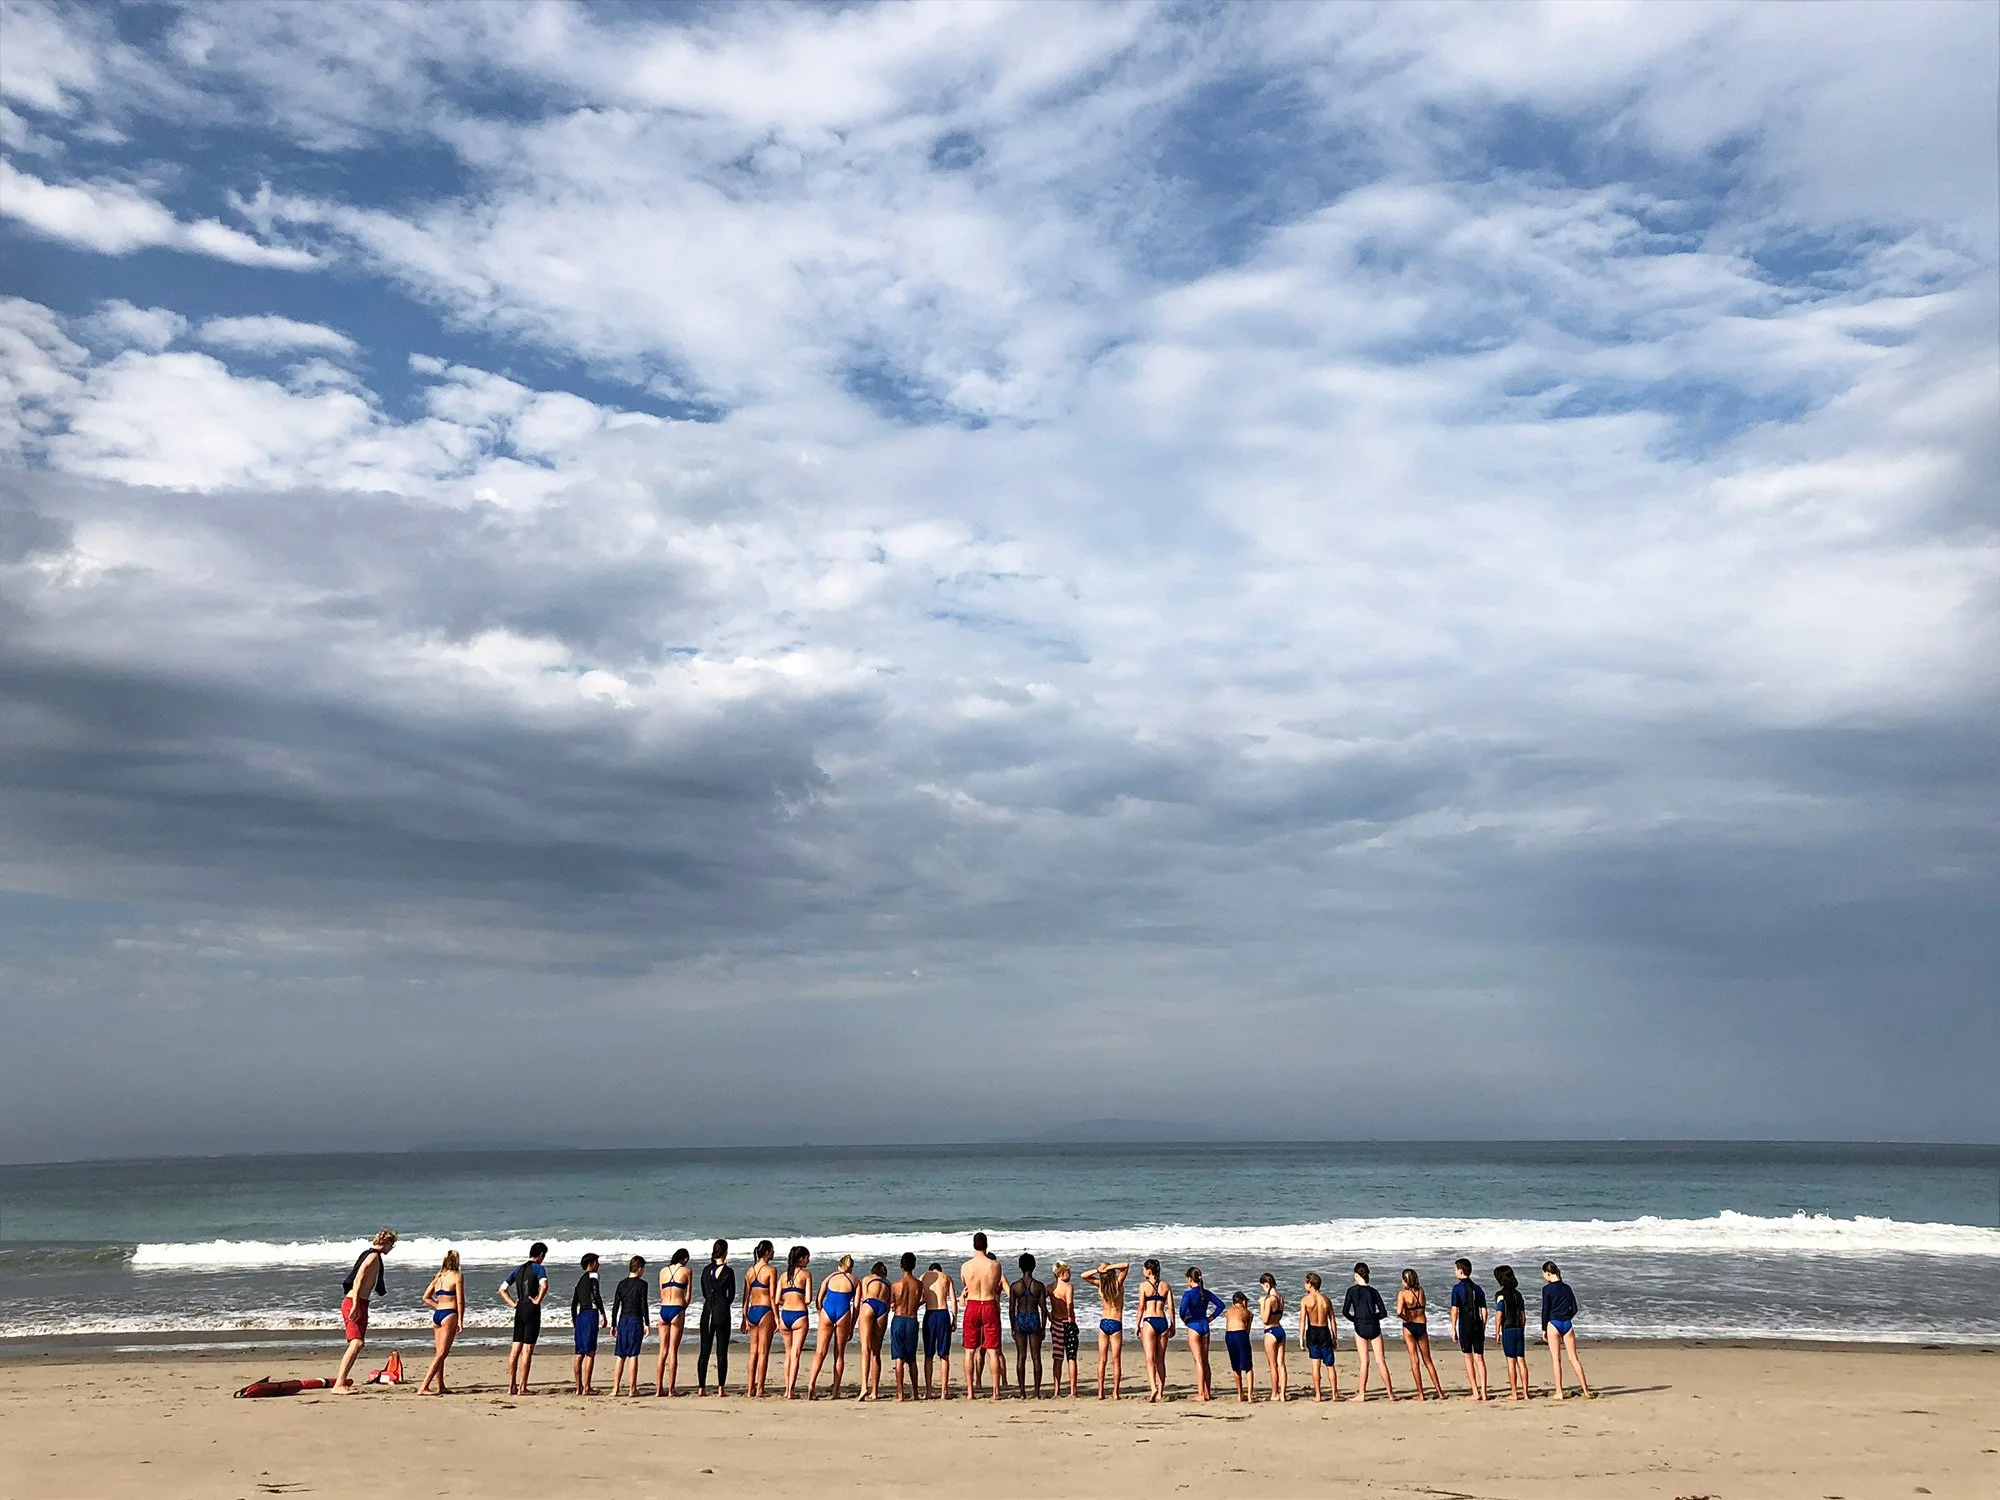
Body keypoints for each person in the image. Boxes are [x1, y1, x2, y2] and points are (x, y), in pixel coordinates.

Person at [332, 1228, 396, 1393]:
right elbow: (359, 1278)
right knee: (356, 1343)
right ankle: (339, 1384)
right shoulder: (373, 1256)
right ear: (387, 1243)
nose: (391, 1248)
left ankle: (341, 1382)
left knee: (359, 1344)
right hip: (354, 1302)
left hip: (361, 1302)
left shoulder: (372, 1255)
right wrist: (354, 1304)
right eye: (392, 1245)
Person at [960, 1232, 1007, 1401]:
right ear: (987, 1245)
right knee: (993, 1351)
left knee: (970, 1351)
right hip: (988, 1303)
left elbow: (965, 1285)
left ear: (973, 1245)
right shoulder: (995, 1265)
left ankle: (971, 1391)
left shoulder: (966, 1266)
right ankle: (996, 1391)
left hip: (972, 1305)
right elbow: (995, 1286)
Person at [1341, 1262, 1396, 1402]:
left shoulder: (1351, 1291)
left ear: (1356, 1275)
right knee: (1381, 1361)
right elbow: (1383, 1313)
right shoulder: (1374, 1291)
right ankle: (1390, 1394)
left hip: (1360, 1326)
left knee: (1364, 1361)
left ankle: (1362, 1394)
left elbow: (1345, 1312)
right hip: (1374, 1326)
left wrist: (1356, 1319)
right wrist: (1372, 1317)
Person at [499, 1241, 550, 1395]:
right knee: (527, 1349)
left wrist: (513, 1304)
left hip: (519, 1308)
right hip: (531, 1309)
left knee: (515, 1349)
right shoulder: (538, 1268)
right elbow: (545, 1285)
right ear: (541, 1255)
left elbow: (502, 1289)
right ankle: (522, 1387)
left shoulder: (519, 1269)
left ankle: (511, 1386)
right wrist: (538, 1300)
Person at [807, 1253, 858, 1399]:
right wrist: (852, 1326)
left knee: (820, 1352)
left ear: (839, 1266)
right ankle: (835, 1391)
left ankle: (811, 1385)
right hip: (843, 1313)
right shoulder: (854, 1281)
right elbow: (856, 1306)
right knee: (839, 1354)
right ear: (851, 1268)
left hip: (827, 1311)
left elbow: (819, 1297)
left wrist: (820, 1312)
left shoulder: (830, 1277)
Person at [1540, 1261, 1594, 1400]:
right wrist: (1566, 1317)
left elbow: (1545, 1310)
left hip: (1553, 1323)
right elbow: (1574, 1308)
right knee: (1574, 1358)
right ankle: (1586, 1390)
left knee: (1556, 1359)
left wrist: (1543, 1328)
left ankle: (1559, 1390)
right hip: (1567, 1324)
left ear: (1548, 1273)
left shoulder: (1547, 1289)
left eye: (1543, 1274)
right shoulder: (1567, 1288)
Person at [1081, 1260, 1129, 1400]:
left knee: (1102, 1359)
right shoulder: (1117, 1284)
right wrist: (1108, 1268)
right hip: (1115, 1322)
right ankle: (1115, 1392)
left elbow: (1084, 1275)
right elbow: (1125, 1265)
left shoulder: (1101, 1285)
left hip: (1104, 1322)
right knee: (1116, 1360)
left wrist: (1099, 1270)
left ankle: (1101, 1391)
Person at [1396, 1267, 1446, 1400]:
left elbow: (1399, 1311)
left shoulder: (1403, 1294)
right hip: (1421, 1325)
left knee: (1414, 1360)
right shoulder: (1421, 1292)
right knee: (1428, 1360)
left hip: (1409, 1326)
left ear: (1406, 1281)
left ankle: (1421, 1394)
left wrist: (1406, 1318)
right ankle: (1440, 1392)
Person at [417, 1247, 460, 1396]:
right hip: (449, 1314)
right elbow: (460, 1301)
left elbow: (426, 1297)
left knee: (439, 1353)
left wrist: (438, 1306)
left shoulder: (438, 1277)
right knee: (442, 1353)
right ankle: (424, 1385)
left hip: (438, 1314)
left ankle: (440, 1385)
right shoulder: (457, 1276)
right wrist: (460, 1319)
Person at [1179, 1267, 1225, 1402]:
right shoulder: (1205, 1293)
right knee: (1205, 1360)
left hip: (1194, 1325)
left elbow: (1182, 1310)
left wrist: (1185, 1319)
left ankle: (1200, 1393)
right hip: (1205, 1325)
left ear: (1189, 1279)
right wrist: (1211, 1317)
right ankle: (1207, 1391)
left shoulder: (1188, 1294)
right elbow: (1221, 1305)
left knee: (1198, 1360)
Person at [696, 1239, 735, 1396]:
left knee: (704, 1351)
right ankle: (721, 1388)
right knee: (721, 1352)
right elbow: (731, 1295)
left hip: (707, 1311)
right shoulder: (728, 1272)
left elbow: (704, 1291)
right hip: (722, 1311)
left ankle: (701, 1387)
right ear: (725, 1252)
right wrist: (723, 1304)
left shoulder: (706, 1270)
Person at [609, 1255, 651, 1397]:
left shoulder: (621, 1284)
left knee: (620, 1355)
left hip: (623, 1320)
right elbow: (643, 1305)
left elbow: (615, 1306)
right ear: (639, 1269)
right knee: (633, 1354)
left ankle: (615, 1388)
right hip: (635, 1320)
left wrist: (613, 1324)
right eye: (643, 1268)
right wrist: (647, 1323)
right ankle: (632, 1389)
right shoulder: (642, 1284)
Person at [654, 1247, 692, 1396]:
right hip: (677, 1308)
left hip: (664, 1310)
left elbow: (661, 1293)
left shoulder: (663, 1271)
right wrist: (683, 1308)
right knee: (672, 1351)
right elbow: (687, 1296)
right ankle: (671, 1389)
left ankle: (658, 1389)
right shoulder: (686, 1271)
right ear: (684, 1259)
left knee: (662, 1351)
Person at [1008, 1252, 1048, 1397]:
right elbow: (1044, 1309)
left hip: (1020, 1319)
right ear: (1034, 1266)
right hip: (1034, 1318)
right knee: (1036, 1357)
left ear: (1020, 1266)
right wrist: (1043, 1328)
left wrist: (1013, 1327)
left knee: (1021, 1356)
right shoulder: (1038, 1286)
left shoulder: (1015, 1286)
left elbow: (1011, 1309)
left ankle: (1022, 1392)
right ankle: (1036, 1392)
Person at [741, 1240, 778, 1397]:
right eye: (772, 1251)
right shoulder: (770, 1270)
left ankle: (750, 1388)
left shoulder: (750, 1271)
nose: (774, 1253)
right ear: (767, 1252)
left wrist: (744, 1316)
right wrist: (777, 1316)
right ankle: (760, 1388)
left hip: (752, 1310)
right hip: (765, 1310)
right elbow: (772, 1296)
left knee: (753, 1353)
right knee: (763, 1352)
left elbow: (746, 1296)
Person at [1135, 1259, 1174, 1403]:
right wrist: (1173, 1325)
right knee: (1160, 1360)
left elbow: (1141, 1307)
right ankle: (1160, 1391)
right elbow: (1171, 1307)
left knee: (1149, 1358)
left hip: (1150, 1321)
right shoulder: (1166, 1286)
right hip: (1162, 1321)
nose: (1143, 1271)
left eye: (1144, 1269)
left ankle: (1153, 1388)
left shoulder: (1144, 1286)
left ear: (1149, 1271)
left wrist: (1137, 1324)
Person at [1450, 1258, 1489, 1402]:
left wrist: (1453, 1328)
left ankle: (1475, 1391)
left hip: (1465, 1325)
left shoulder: (1457, 1289)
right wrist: (1483, 1326)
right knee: (1480, 1358)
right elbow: (1484, 1311)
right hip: (1477, 1324)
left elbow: (1455, 1310)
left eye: (1455, 1269)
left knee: (1468, 1357)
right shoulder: (1478, 1288)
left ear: (1461, 1271)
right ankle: (1484, 1392)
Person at [778, 1245, 814, 1399]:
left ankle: (787, 1388)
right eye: (807, 1257)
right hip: (799, 1315)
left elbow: (776, 1299)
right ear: (801, 1259)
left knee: (788, 1354)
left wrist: (788, 1298)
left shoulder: (783, 1276)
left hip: (785, 1315)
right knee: (796, 1354)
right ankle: (790, 1391)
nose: (808, 1260)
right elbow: (808, 1299)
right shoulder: (806, 1275)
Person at [569, 1253, 608, 1395]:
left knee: (579, 1353)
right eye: (597, 1262)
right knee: (590, 1352)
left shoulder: (579, 1282)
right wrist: (603, 1313)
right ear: (590, 1264)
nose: (599, 1265)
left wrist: (575, 1322)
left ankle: (578, 1387)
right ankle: (587, 1387)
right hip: (591, 1314)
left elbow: (573, 1304)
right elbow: (596, 1295)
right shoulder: (593, 1276)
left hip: (580, 1316)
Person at [1492, 1264, 1532, 1401]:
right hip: (1519, 1329)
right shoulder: (1518, 1295)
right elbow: (1523, 1315)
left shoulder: (1500, 1295)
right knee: (1521, 1360)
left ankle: (1514, 1393)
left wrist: (1497, 1332)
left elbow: (1499, 1314)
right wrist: (1522, 1328)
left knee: (1511, 1361)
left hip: (1508, 1329)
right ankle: (1525, 1393)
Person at [888, 1252, 924, 1402]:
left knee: (899, 1358)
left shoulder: (895, 1285)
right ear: (914, 1266)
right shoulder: (919, 1284)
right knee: (912, 1359)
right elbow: (919, 1301)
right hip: (912, 1320)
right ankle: (915, 1393)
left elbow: (892, 1305)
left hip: (899, 1319)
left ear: (901, 1266)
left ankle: (900, 1393)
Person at [920, 1260, 957, 1400]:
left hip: (930, 1314)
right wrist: (954, 1319)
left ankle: (929, 1391)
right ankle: (943, 1391)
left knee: (928, 1356)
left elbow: (920, 1298)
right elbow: (953, 1300)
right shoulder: (946, 1277)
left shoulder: (923, 1277)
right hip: (943, 1314)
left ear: (931, 1270)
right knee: (944, 1355)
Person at [1300, 1272, 1340, 1402]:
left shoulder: (1306, 1300)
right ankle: (1335, 1394)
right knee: (1330, 1365)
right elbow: (1332, 1320)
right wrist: (1335, 1337)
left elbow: (1302, 1321)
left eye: (1306, 1283)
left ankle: (1318, 1395)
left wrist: (1301, 1339)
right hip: (1324, 1331)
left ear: (1310, 1284)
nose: (1304, 1285)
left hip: (1313, 1331)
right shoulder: (1326, 1300)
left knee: (1315, 1364)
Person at [856, 1260, 890, 1400]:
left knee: (865, 1349)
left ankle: (864, 1386)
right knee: (876, 1352)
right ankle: (875, 1391)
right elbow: (890, 1303)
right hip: (882, 1309)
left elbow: (864, 1298)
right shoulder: (888, 1284)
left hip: (869, 1304)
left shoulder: (867, 1279)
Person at [1048, 1261, 1080, 1398]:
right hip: (1067, 1322)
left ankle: (1057, 1390)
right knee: (1071, 1357)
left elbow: (1040, 1302)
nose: (1070, 1274)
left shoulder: (1050, 1288)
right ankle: (1073, 1390)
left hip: (1056, 1322)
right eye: (1068, 1272)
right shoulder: (1068, 1287)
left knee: (1058, 1357)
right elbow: (1070, 1305)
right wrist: (1072, 1318)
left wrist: (1049, 1315)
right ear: (1061, 1274)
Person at [1257, 1272, 1288, 1402]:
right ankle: (1283, 1394)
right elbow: (1279, 1316)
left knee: (1273, 1364)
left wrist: (1261, 1304)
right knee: (1281, 1363)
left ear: (1267, 1284)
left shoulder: (1269, 1300)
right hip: (1279, 1329)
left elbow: (1264, 1319)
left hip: (1270, 1331)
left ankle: (1275, 1393)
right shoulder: (1280, 1298)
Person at [1223, 1291, 1257, 1403]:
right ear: (1243, 1301)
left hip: (1229, 1335)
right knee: (1248, 1366)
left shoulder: (1228, 1312)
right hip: (1241, 1334)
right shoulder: (1247, 1312)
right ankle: (1250, 1395)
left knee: (1235, 1366)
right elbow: (1247, 1331)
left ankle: (1239, 1393)